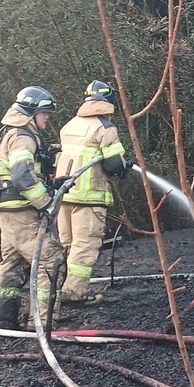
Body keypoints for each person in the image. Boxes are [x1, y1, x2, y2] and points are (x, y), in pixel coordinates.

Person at [0, 87, 63, 329]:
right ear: (31, 113)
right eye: (44, 113)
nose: (47, 117)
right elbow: (22, 175)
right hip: (23, 213)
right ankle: (41, 324)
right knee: (50, 261)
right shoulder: (23, 136)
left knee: (12, 263)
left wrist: (52, 184)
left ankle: (5, 321)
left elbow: (25, 174)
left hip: (8, 211)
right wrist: (47, 203)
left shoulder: (10, 133)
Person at [54, 80, 131, 306]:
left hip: (65, 194)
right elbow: (114, 163)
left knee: (66, 244)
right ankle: (74, 293)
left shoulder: (70, 125)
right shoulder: (105, 128)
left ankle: (56, 289)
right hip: (89, 197)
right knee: (85, 246)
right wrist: (123, 167)